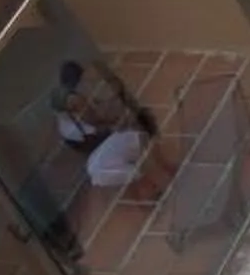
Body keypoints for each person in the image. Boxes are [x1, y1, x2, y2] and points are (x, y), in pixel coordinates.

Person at [54, 60, 173, 203]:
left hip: (100, 155)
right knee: (134, 172)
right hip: (91, 145)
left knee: (130, 161)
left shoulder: (79, 99)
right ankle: (147, 194)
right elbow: (97, 122)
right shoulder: (76, 124)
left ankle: (145, 190)